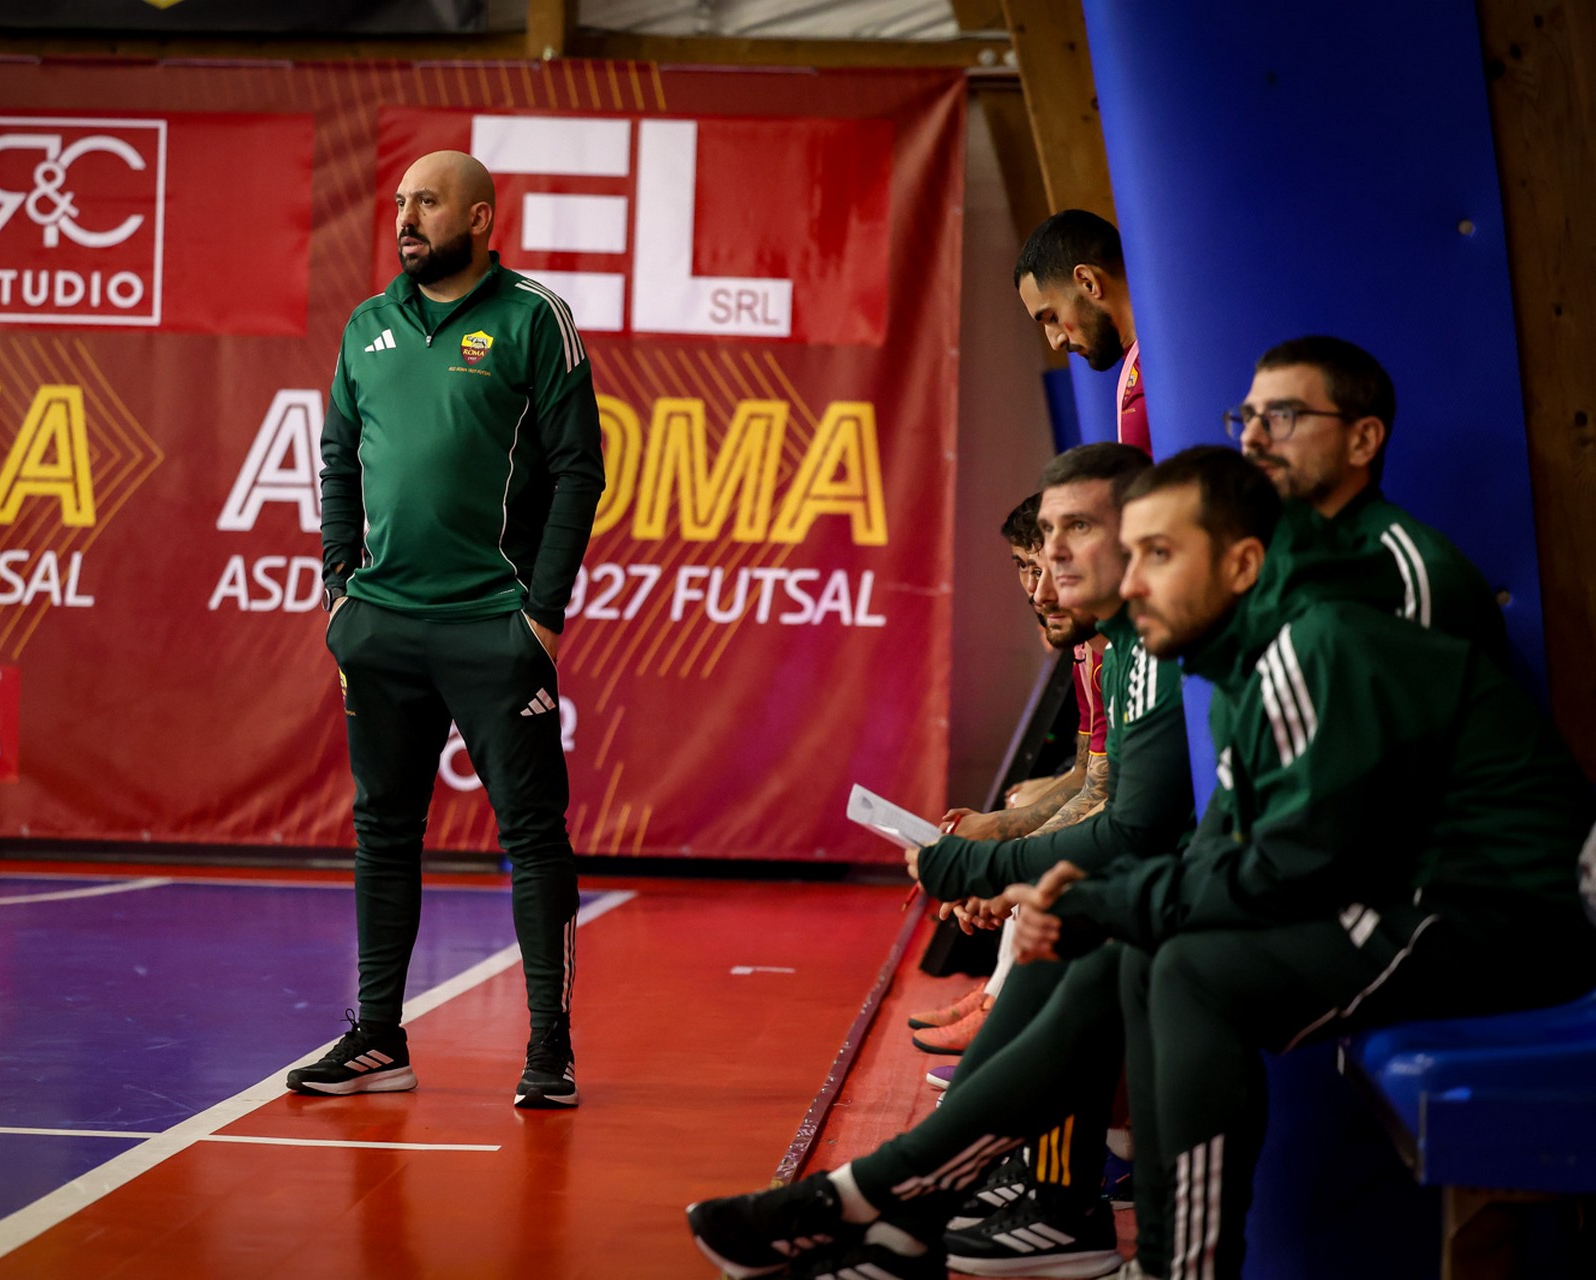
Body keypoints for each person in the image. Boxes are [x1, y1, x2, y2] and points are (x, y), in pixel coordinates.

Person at [683, 449, 1595, 1280]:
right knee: (1132, 946)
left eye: (1157, 554)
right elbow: (1240, 854)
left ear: (1240, 565)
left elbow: (1281, 870)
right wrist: (1102, 900)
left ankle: (937, 1211)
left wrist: (1101, 895)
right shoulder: (1241, 663)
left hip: (1511, 918)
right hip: (1414, 899)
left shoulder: (1311, 644)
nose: (1129, 578)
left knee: (1179, 967)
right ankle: (908, 1206)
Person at [690, 443, 1193, 1280]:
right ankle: (936, 1210)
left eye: (1078, 529)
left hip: (1264, 906)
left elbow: (1135, 825)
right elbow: (1118, 804)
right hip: (1201, 883)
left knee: (1083, 924)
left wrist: (987, 862)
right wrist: (1001, 854)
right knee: (1067, 920)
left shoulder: (1159, 643)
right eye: (1047, 535)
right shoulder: (1125, 644)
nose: (1052, 563)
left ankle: (885, 1200)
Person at [297, 150, 605, 1109]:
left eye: (427, 202)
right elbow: (338, 461)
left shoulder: (533, 318)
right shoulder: (367, 325)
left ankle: (549, 1050)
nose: (405, 218)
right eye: (400, 202)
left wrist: (541, 616)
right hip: (381, 628)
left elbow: (578, 471)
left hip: (492, 627)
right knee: (382, 832)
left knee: (533, 834)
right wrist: (340, 594)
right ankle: (377, 1041)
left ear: (478, 217)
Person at [910, 494, 1110, 1054]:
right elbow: (1092, 773)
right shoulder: (1091, 653)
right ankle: (1000, 1001)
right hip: (1128, 828)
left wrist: (1003, 852)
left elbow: (1119, 803)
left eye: (1052, 569)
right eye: (1025, 568)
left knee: (1040, 865)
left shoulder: (1123, 654)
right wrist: (999, 835)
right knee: (1022, 818)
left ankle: (1006, 1019)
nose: (1037, 591)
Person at [1227, 334, 1504, 649]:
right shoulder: (1251, 562)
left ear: (1362, 441)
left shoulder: (1413, 577)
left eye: (1282, 415)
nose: (1250, 437)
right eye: (1248, 417)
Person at [1015, 210, 1149, 454]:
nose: (1055, 342)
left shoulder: (1165, 360)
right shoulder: (1134, 365)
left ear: (1088, 282)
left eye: (1052, 317)